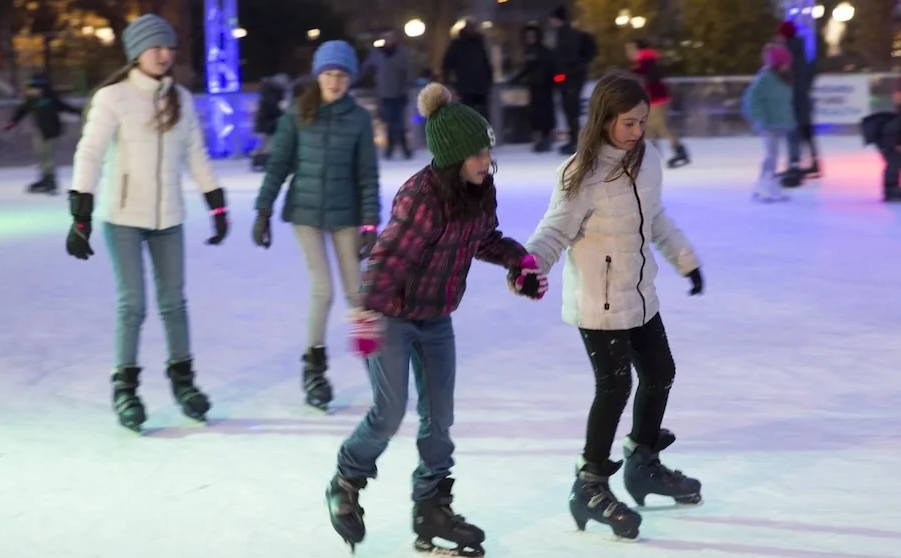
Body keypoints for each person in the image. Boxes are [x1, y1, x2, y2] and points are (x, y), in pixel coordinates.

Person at [325, 83, 547, 557]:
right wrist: (364, 318)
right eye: (476, 154)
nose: (486, 160)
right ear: (451, 158)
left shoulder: (479, 190)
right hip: (390, 316)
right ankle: (347, 479)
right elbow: (387, 261)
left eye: (487, 150)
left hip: (436, 316)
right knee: (388, 412)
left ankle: (431, 507)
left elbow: (483, 239)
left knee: (439, 418)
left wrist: (519, 262)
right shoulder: (421, 199)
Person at [524, 72, 703, 540]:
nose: (637, 132)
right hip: (598, 300)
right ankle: (590, 485)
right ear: (604, 119)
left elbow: (656, 217)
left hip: (640, 292)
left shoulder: (647, 162)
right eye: (628, 123)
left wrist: (686, 261)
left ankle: (642, 462)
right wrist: (528, 265)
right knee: (615, 386)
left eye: (642, 122)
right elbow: (554, 231)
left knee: (661, 371)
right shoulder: (579, 172)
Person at [65, 14, 229, 432]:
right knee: (133, 304)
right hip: (122, 217)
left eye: (169, 47)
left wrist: (217, 204)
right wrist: (80, 214)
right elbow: (89, 153)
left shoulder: (182, 99)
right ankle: (125, 388)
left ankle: (184, 383)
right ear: (136, 52)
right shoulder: (114, 97)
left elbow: (196, 155)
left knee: (174, 303)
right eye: (155, 47)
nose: (164, 54)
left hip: (168, 217)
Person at [252, 40, 381, 412]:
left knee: (359, 295)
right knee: (323, 290)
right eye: (328, 74)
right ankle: (314, 370)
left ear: (350, 79)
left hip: (346, 214)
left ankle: (376, 368)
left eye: (342, 75)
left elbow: (367, 177)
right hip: (306, 213)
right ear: (318, 75)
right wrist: (263, 210)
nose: (335, 81)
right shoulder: (298, 113)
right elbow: (278, 164)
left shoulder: (357, 119)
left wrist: (370, 224)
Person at [3, 73, 81, 194]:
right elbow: (21, 111)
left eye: (33, 88)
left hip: (52, 132)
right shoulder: (31, 101)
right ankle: (45, 178)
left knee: (48, 157)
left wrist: (80, 113)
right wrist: (12, 122)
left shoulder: (51, 100)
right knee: (41, 156)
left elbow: (67, 108)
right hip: (40, 132)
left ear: (41, 88)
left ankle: (50, 181)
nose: (30, 91)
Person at [742, 44, 796, 202]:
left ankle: (769, 184)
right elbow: (751, 100)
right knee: (771, 155)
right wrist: (759, 118)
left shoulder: (784, 79)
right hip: (767, 123)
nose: (788, 65)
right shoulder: (765, 78)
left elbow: (784, 102)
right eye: (785, 62)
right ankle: (763, 185)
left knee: (774, 155)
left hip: (779, 122)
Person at [625, 38, 689, 168]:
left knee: (660, 125)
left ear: (638, 50)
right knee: (650, 127)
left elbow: (650, 77)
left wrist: (634, 73)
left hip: (657, 98)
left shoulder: (646, 61)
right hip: (653, 98)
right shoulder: (646, 62)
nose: (628, 52)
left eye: (631, 49)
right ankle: (651, 154)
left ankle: (678, 150)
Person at [357, 28, 418, 159]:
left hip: (399, 93)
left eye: (390, 37)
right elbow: (366, 67)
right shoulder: (377, 54)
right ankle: (390, 148)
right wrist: (355, 77)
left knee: (400, 122)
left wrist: (407, 86)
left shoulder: (402, 53)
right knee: (389, 122)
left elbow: (408, 71)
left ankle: (404, 147)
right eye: (385, 37)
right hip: (384, 94)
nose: (388, 40)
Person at [548, 5, 597, 154]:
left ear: (557, 19)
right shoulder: (566, 34)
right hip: (572, 76)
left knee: (571, 109)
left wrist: (562, 73)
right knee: (570, 109)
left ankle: (576, 141)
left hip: (571, 77)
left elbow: (566, 58)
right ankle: (574, 140)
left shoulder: (566, 35)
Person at [778, 21, 819, 184]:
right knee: (806, 131)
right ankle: (814, 162)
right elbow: (810, 73)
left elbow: (783, 76)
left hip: (793, 99)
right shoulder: (802, 51)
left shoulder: (786, 53)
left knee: (793, 132)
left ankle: (794, 164)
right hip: (803, 97)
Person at [510, 22, 556, 152]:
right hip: (534, 86)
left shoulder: (544, 51)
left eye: (532, 36)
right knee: (536, 113)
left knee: (545, 112)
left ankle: (546, 137)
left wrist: (550, 80)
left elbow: (550, 68)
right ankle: (541, 137)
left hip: (545, 86)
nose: (530, 38)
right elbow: (527, 68)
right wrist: (517, 78)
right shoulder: (529, 51)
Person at [442, 19, 493, 119]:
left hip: (470, 86)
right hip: (474, 86)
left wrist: (448, 80)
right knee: (479, 114)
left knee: (470, 114)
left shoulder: (460, 44)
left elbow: (447, 64)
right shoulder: (478, 44)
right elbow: (486, 64)